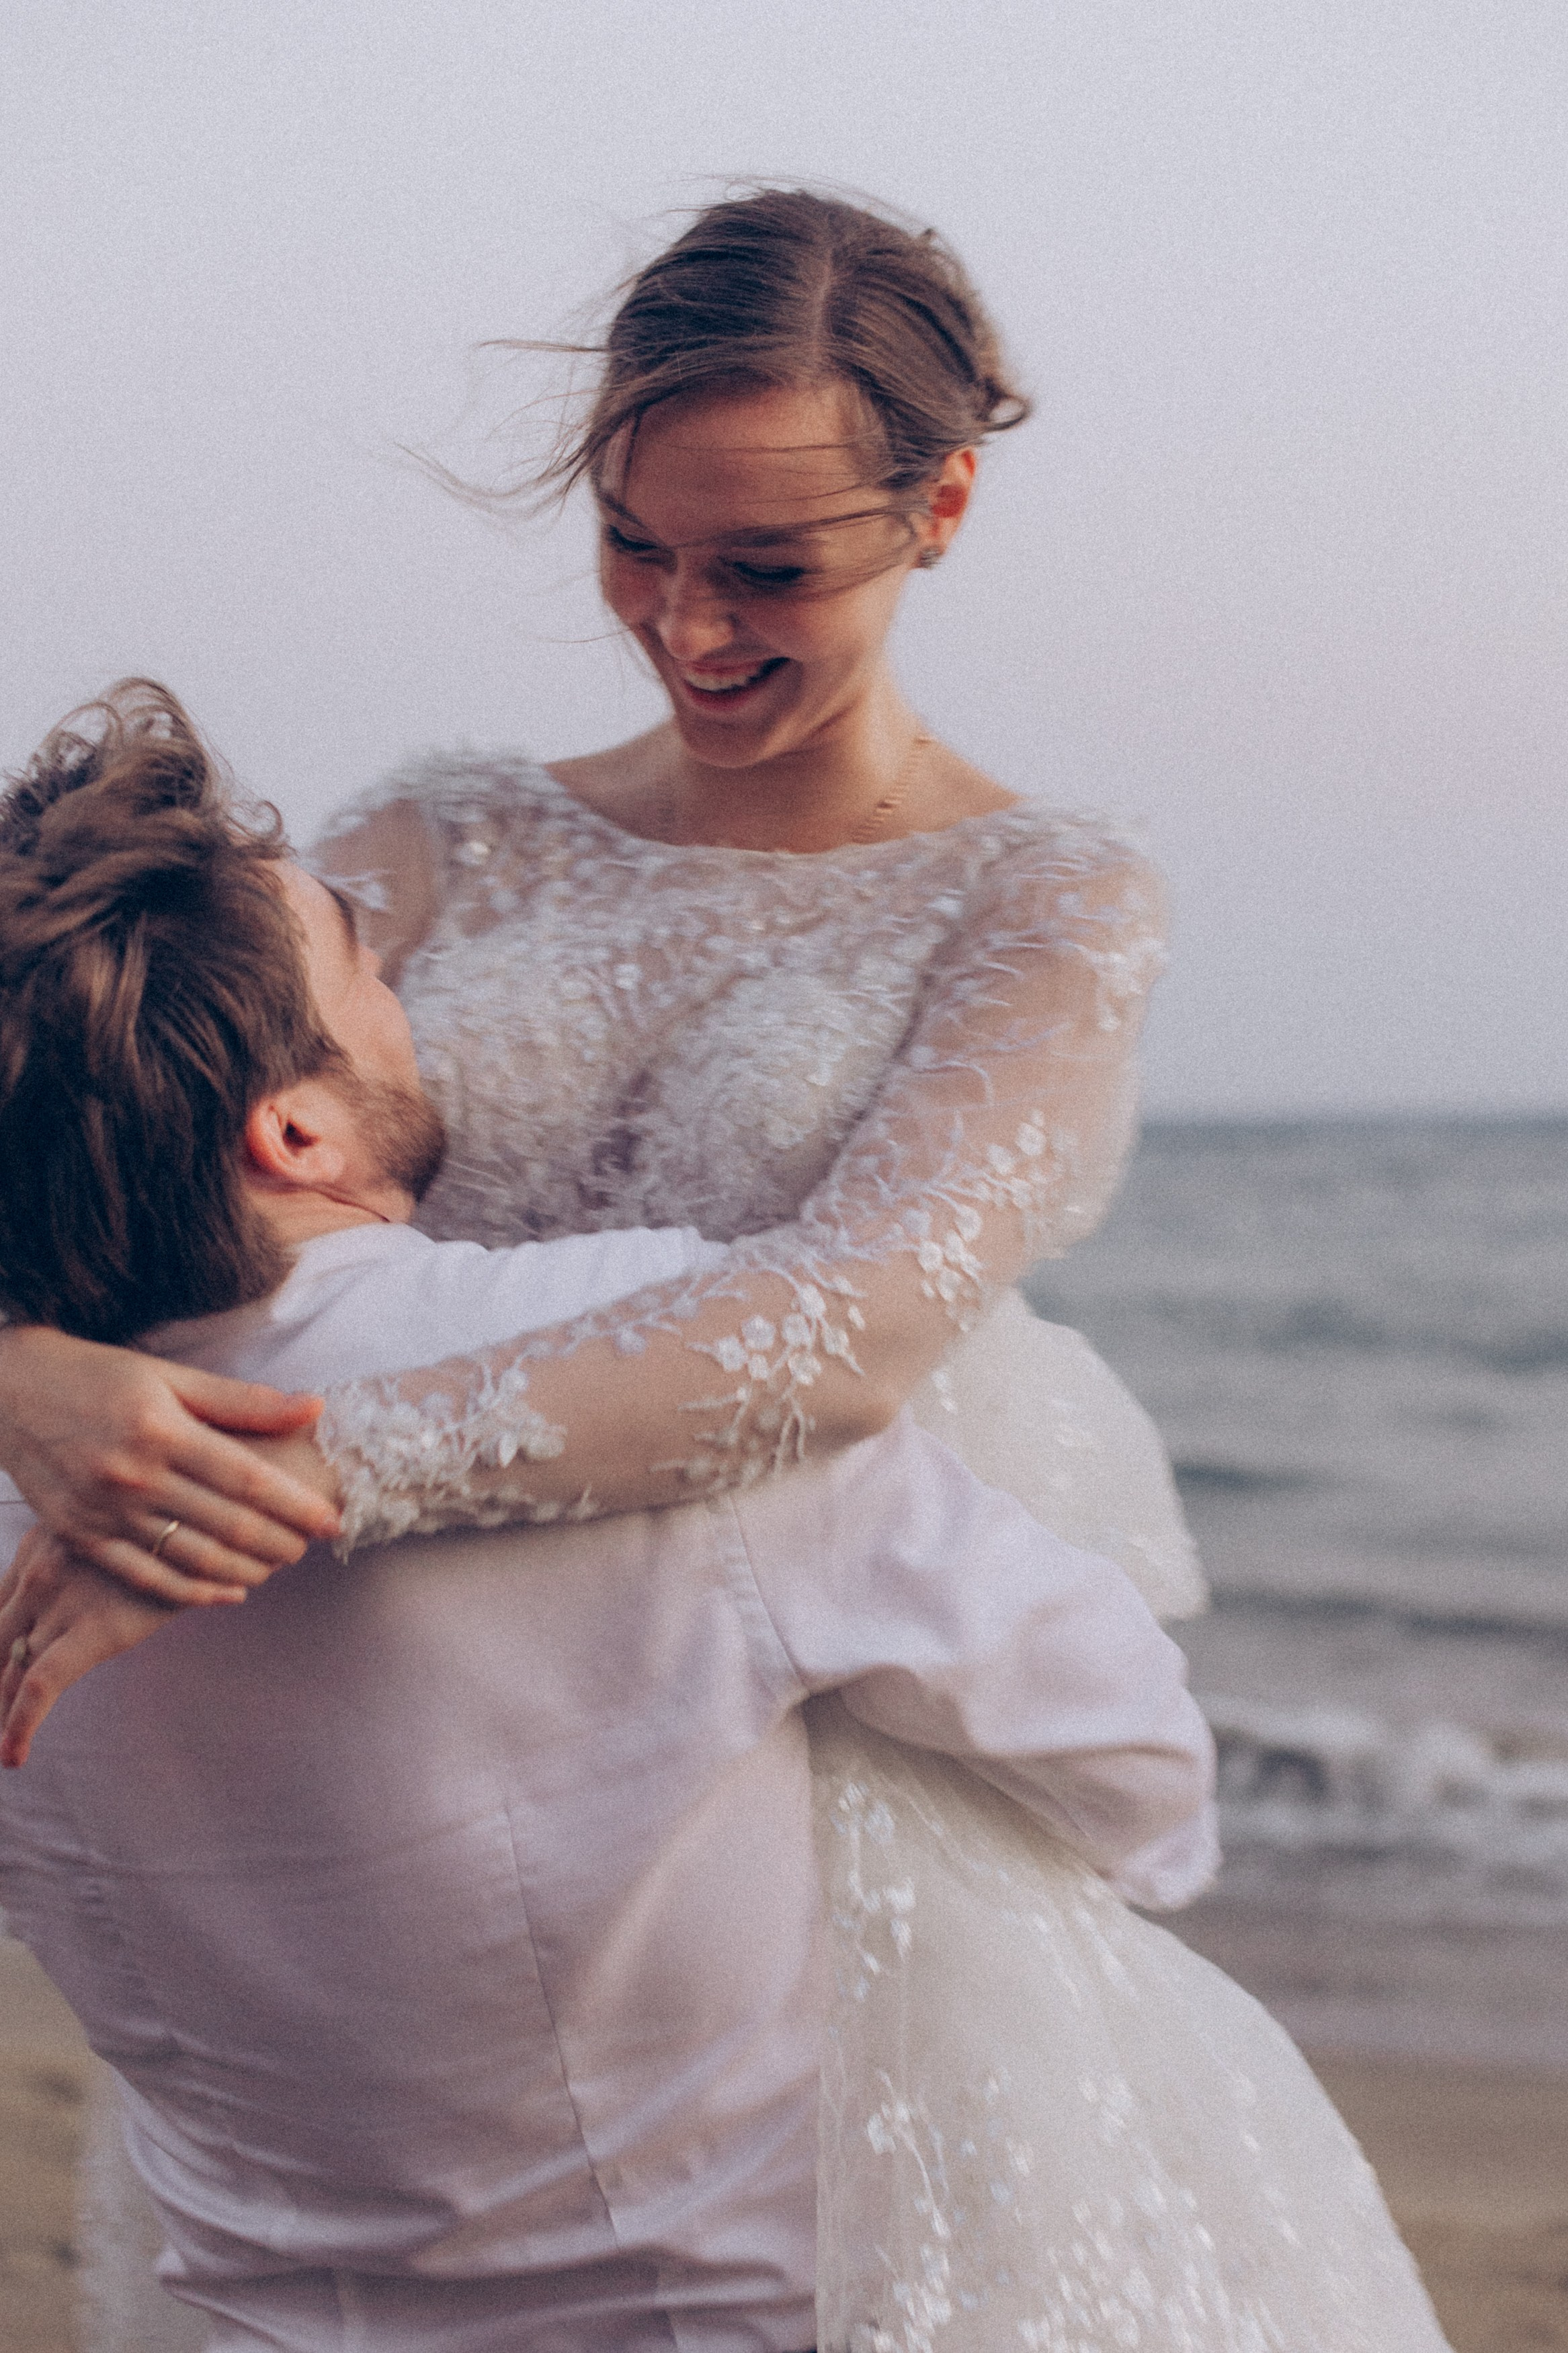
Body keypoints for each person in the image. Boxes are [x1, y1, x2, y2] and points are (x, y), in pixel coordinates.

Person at [0, 195, 1451, 2346]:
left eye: (765, 565)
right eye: (631, 543)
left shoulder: (1041, 902)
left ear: (936, 505)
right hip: (405, 1741)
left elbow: (842, 1332)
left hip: (821, 1708)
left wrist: (293, 1476)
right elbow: (99, 1084)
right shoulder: (446, 836)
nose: (685, 624)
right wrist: (25, 1368)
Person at [0, 682, 1219, 2350]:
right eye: (369, 973)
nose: (407, 995)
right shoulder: (656, 1362)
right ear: (292, 1127)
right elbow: (1133, 1750)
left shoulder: (26, 1484)